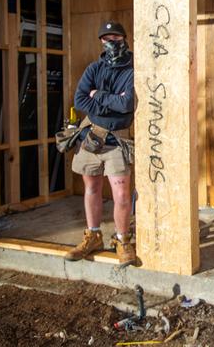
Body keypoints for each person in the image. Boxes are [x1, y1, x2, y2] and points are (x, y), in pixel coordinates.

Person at [65, 21, 136, 267]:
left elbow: (127, 106)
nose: (111, 42)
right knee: (92, 189)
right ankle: (93, 236)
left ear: (124, 39)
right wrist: (110, 101)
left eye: (115, 37)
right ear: (101, 43)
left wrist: (99, 96)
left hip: (117, 140)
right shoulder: (93, 69)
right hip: (91, 139)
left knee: (121, 193)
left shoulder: (133, 70)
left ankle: (122, 240)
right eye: (106, 39)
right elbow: (81, 100)